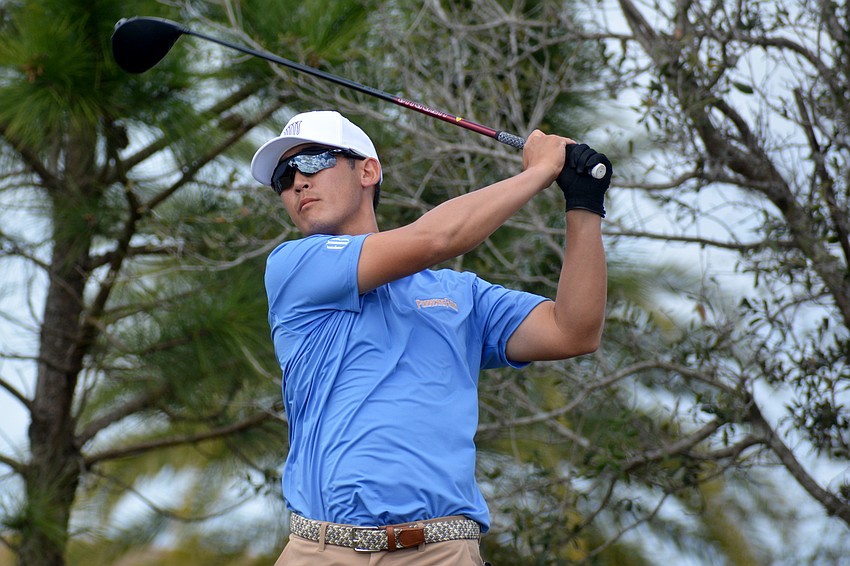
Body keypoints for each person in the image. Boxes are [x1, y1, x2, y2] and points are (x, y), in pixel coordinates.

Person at [251, 110, 611, 565]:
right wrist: (540, 171)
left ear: (367, 170)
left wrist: (583, 205)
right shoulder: (293, 267)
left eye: (315, 161)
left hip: (442, 553)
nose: (298, 182)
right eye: (284, 176)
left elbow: (573, 331)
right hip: (321, 552)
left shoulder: (460, 296)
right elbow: (437, 238)